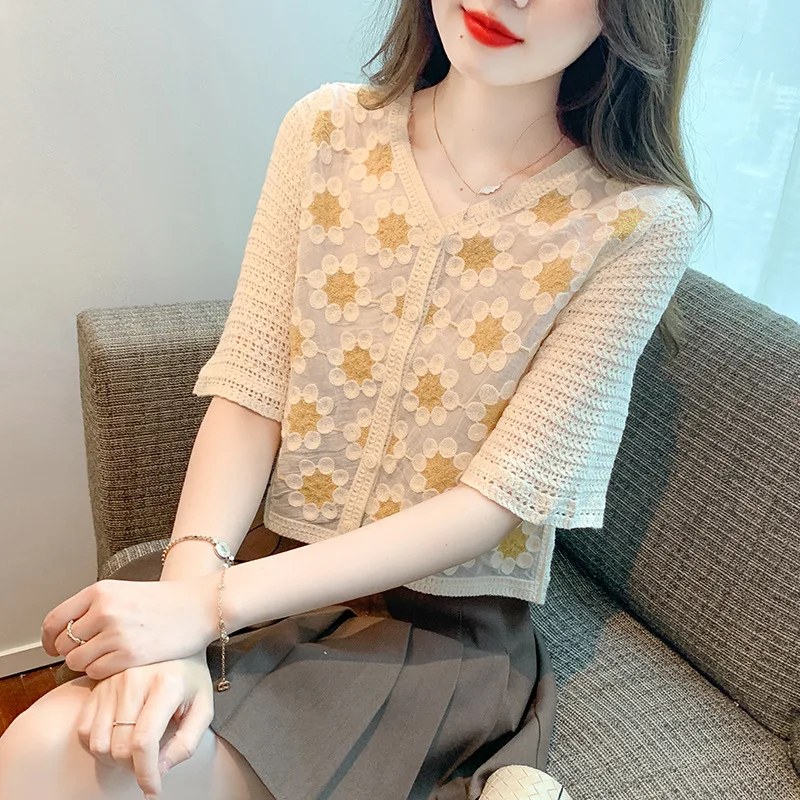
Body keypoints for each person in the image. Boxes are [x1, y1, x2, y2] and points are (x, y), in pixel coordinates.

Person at [0, 0, 710, 798]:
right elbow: (252, 393)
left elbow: (496, 500)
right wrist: (183, 606)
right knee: (43, 746)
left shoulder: (639, 223)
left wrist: (207, 610)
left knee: (92, 767)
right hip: (265, 562)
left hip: (438, 627)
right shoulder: (325, 131)